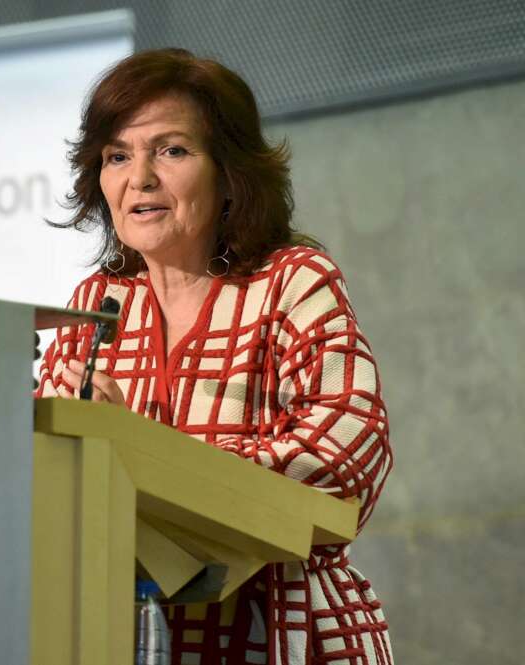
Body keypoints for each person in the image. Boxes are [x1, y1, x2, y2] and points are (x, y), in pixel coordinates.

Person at [36, 48, 394, 664]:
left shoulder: (291, 282)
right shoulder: (96, 303)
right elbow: (52, 478)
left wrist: (140, 451)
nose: (139, 178)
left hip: (279, 631)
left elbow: (349, 452)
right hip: (128, 639)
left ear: (229, 173)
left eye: (171, 150)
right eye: (117, 156)